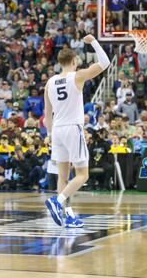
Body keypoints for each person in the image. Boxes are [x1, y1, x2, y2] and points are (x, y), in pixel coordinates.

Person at [44, 34, 110, 228]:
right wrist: (94, 42)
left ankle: (68, 215)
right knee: (83, 175)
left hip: (56, 131)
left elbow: (48, 114)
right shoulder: (78, 75)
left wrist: (48, 135)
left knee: (63, 178)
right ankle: (57, 201)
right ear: (74, 61)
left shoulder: (50, 82)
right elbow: (104, 63)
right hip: (73, 129)